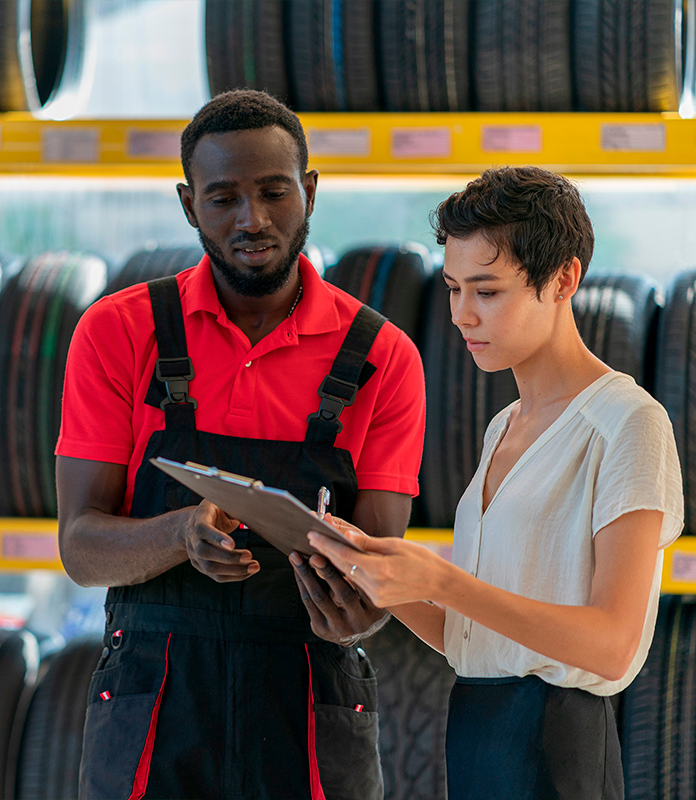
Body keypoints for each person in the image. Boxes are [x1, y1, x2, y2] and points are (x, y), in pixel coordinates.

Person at [55, 89, 426, 800]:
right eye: (222, 198)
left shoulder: (383, 356)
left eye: (273, 192)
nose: (251, 219)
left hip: (310, 698)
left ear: (310, 192)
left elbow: (380, 563)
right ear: (188, 204)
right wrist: (180, 532)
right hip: (157, 697)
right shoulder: (117, 333)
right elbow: (80, 547)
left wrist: (362, 610)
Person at [308, 166, 684, 800]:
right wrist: (376, 572)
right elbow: (472, 644)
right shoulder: (503, 426)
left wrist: (444, 580)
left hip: (557, 749)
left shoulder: (628, 423)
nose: (459, 314)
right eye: (453, 288)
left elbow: (613, 646)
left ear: (563, 279)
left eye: (486, 291)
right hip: (478, 732)